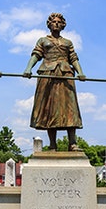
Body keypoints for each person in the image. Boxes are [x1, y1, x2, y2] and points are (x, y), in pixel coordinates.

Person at [23, 12, 87, 150]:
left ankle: (72, 143)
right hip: (48, 75)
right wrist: (28, 68)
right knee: (50, 109)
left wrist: (81, 72)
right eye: (54, 22)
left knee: (70, 109)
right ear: (49, 24)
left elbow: (74, 59)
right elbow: (36, 55)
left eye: (59, 22)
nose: (56, 23)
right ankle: (53, 144)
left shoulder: (67, 43)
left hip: (65, 75)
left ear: (63, 25)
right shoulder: (42, 41)